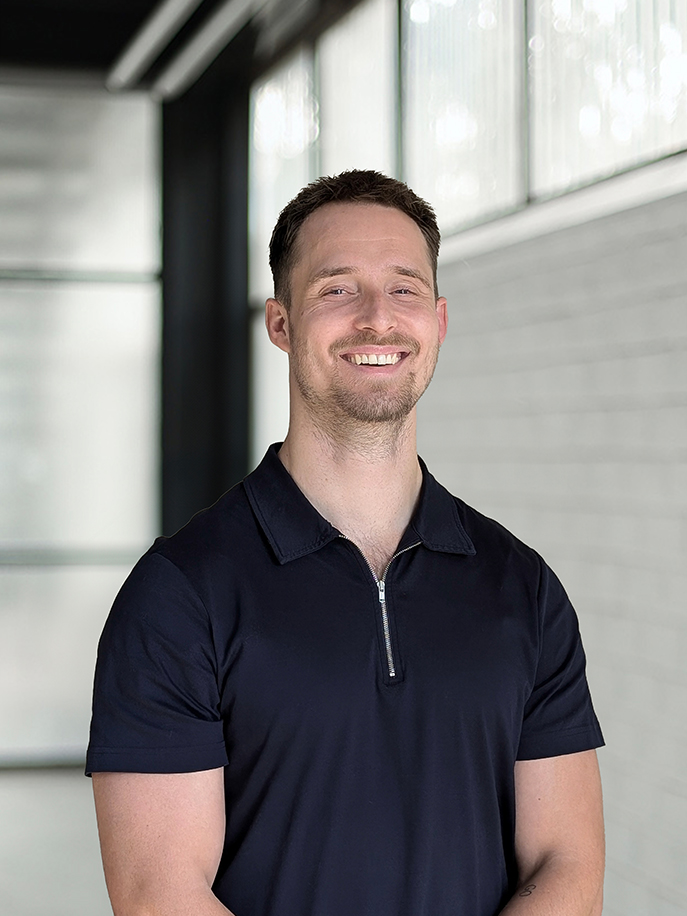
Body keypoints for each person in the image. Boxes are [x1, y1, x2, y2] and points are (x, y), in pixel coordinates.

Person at [87, 170, 605, 916]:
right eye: (336, 289)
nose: (376, 319)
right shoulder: (179, 592)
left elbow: (568, 868)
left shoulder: (521, 588)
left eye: (404, 288)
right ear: (280, 323)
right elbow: (158, 894)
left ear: (438, 319)